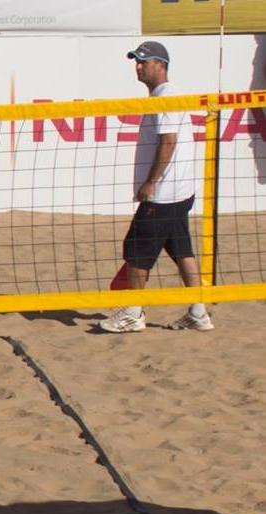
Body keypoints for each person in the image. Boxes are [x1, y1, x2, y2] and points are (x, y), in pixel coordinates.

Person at [99, 40, 213, 333]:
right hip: (179, 191)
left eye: (144, 61)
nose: (138, 66)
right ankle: (198, 312)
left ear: (161, 65)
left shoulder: (165, 97)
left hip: (164, 193)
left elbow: (168, 143)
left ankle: (133, 313)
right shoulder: (164, 96)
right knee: (181, 250)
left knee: (136, 251)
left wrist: (150, 182)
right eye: (136, 61)